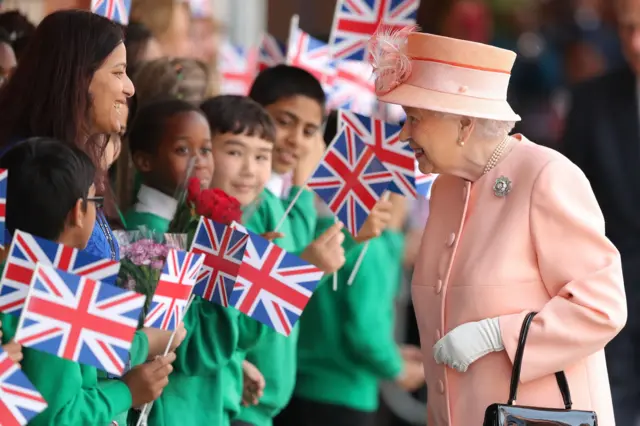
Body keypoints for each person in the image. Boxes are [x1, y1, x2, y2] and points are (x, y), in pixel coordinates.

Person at [368, 28, 626, 425]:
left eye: (414, 118)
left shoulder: (546, 176)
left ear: (464, 124)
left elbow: (602, 307)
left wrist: (497, 335)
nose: (404, 133)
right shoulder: (447, 189)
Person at [0, 10, 179, 425]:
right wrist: (138, 351)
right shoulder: (30, 171)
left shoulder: (73, 165)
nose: (130, 88)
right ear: (79, 78)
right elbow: (50, 315)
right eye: (118, 72)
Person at [0, 137, 178, 425]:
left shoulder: (14, 273)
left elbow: (93, 358)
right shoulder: (54, 290)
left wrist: (145, 343)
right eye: (96, 201)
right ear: (78, 212)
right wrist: (126, 392)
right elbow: (58, 417)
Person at [277, 193, 424, 426]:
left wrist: (394, 353)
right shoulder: (371, 249)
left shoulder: (322, 231)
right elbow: (365, 333)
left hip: (299, 389)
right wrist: (399, 369)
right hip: (344, 396)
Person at [561, 0, 640, 423]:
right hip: (611, 300)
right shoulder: (591, 101)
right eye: (627, 28)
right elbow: (567, 204)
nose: (636, 43)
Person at [125, 98, 214, 233]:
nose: (200, 162)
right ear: (145, 161)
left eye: (205, 150)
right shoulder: (144, 230)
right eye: (182, 150)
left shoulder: (188, 218)